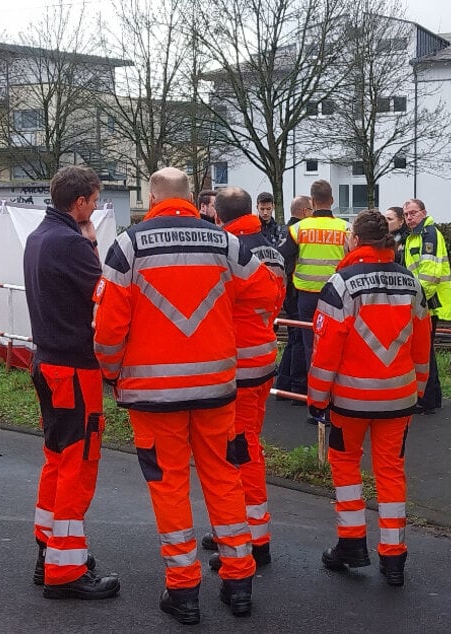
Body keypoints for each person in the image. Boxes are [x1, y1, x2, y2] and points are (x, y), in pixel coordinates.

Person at [94, 167, 276, 624]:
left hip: (154, 397)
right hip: (217, 389)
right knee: (224, 477)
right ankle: (239, 582)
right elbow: (268, 293)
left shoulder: (129, 245)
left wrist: (113, 373)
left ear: (152, 195)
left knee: (169, 486)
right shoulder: (225, 242)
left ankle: (184, 591)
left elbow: (109, 329)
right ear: (194, 197)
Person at [308, 209, 431, 587]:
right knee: (391, 472)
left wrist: (316, 400)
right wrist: (418, 388)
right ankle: (393, 557)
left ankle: (351, 543)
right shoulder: (412, 283)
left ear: (356, 241)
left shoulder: (341, 284)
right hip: (398, 399)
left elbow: (325, 350)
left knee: (346, 468)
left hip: (350, 401)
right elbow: (422, 345)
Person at [23, 165, 120, 600]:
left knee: (56, 460)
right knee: (77, 466)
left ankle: (51, 550)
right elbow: (105, 295)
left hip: (46, 361)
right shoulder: (71, 245)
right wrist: (93, 244)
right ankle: (66, 569)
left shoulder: (39, 237)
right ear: (79, 203)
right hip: (75, 368)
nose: (96, 209)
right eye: (94, 202)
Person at [201, 187, 285, 572]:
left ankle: (251, 538)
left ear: (218, 215)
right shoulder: (270, 246)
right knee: (246, 445)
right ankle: (237, 530)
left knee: (240, 451)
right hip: (264, 355)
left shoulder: (230, 249)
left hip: (238, 364)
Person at [283, 180, 349, 425]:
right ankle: (337, 404)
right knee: (337, 349)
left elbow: (283, 259)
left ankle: (316, 407)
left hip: (307, 296)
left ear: (311, 202)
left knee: (313, 350)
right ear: (332, 200)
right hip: (337, 297)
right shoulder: (346, 229)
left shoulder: (298, 228)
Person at [402, 198, 451, 415]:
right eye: (406, 214)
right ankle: (430, 399)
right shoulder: (415, 236)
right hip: (424, 301)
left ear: (424, 212)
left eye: (413, 213)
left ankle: (428, 400)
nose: (409, 217)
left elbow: (429, 274)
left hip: (427, 303)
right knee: (425, 351)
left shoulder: (428, 234)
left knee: (424, 352)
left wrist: (416, 302)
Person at [274, 195, 314, 401]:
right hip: (296, 290)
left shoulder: (284, 229)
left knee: (293, 338)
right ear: (306, 211)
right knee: (299, 338)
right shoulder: (299, 231)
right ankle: (298, 387)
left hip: (288, 290)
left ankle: (284, 382)